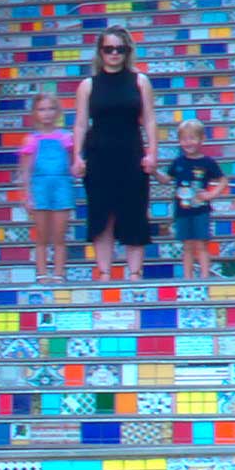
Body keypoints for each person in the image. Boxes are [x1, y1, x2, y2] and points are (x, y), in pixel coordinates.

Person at [71, 26, 158, 281]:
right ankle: (105, 272)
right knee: (101, 214)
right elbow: (79, 123)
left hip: (131, 153)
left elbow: (150, 120)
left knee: (134, 211)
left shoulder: (140, 81)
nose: (114, 54)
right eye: (109, 49)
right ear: (100, 52)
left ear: (127, 51)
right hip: (99, 155)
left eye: (120, 49)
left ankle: (135, 273)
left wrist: (153, 152)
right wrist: (77, 155)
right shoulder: (88, 85)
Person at [13, 93, 76, 282]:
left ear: (57, 112)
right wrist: (27, 196)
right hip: (39, 189)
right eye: (42, 109)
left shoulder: (66, 137)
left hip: (62, 187)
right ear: (35, 113)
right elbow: (25, 170)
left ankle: (59, 273)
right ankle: (41, 273)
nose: (47, 114)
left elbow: (73, 165)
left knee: (59, 235)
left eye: (50, 109)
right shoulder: (31, 140)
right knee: (41, 235)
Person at [158, 118, 229, 278]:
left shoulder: (207, 162)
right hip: (182, 211)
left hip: (201, 210)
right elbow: (166, 179)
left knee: (201, 244)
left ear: (202, 139)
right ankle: (187, 278)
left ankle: (204, 277)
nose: (188, 142)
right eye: (184, 139)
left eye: (192, 138)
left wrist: (211, 194)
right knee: (187, 246)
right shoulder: (177, 162)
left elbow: (223, 180)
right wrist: (154, 171)